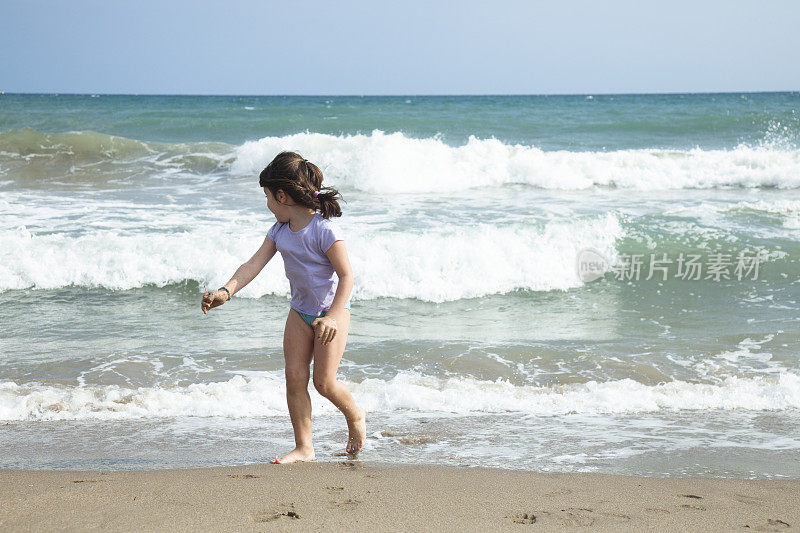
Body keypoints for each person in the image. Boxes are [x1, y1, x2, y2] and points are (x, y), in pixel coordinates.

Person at [200, 151, 365, 464]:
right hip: (299, 313)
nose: (267, 204)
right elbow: (252, 264)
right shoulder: (278, 232)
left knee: (324, 383)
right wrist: (226, 291)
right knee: (294, 377)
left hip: (332, 315)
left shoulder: (325, 231)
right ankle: (305, 447)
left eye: (267, 197)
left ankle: (355, 416)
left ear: (281, 195)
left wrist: (331, 316)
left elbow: (347, 277)